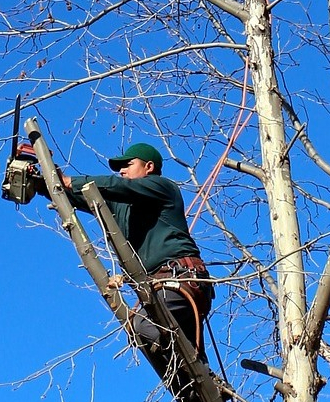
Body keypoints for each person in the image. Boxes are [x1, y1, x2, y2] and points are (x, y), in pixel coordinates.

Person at [54, 142, 213, 355]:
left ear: (148, 167)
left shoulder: (162, 187)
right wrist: (48, 182)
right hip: (160, 288)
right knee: (185, 371)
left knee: (144, 327)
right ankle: (200, 384)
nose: (121, 171)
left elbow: (118, 187)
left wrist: (70, 181)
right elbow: (81, 196)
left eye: (128, 165)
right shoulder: (122, 206)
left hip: (181, 279)